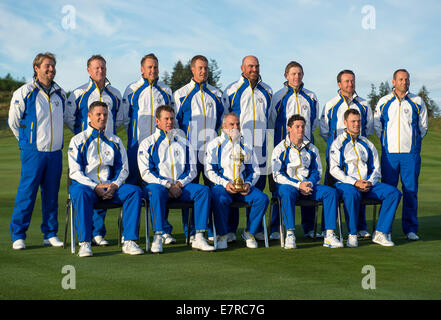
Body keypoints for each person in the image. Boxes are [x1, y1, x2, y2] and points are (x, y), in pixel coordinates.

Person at [68, 101, 144, 257]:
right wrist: (95, 187)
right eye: (98, 114)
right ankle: (85, 243)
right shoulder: (77, 140)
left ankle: (129, 241)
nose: (102, 118)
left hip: (111, 188)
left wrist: (114, 186)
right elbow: (75, 172)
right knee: (80, 194)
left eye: (105, 115)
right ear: (89, 116)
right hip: (86, 188)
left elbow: (123, 168)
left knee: (134, 191)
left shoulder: (115, 140)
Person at [138, 105, 214, 253]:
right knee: (155, 191)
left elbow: (191, 170)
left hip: (181, 187)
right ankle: (158, 237)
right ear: (157, 121)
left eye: (172, 118)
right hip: (159, 187)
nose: (169, 122)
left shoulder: (184, 142)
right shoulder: (147, 143)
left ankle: (198, 236)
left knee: (203, 191)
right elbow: (146, 172)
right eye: (166, 118)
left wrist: (179, 184)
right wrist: (167, 185)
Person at [8, 52, 66, 250]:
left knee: (51, 195)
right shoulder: (24, 92)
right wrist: (27, 142)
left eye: (53, 66)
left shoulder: (60, 93)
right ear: (36, 68)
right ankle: (18, 235)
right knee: (27, 193)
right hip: (33, 152)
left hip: (55, 153)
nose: (51, 69)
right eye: (47, 66)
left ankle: (50, 233)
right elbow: (13, 122)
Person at [64, 54, 123, 246]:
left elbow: (121, 118)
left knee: (106, 182)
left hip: (108, 146)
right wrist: (84, 136)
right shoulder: (79, 93)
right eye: (96, 68)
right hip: (86, 146)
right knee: (88, 186)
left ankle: (98, 233)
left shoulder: (114, 93)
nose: (100, 71)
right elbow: (69, 118)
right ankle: (86, 235)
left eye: (103, 68)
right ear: (88, 70)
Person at [329, 109, 402, 247]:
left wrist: (369, 182)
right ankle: (352, 234)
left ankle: (381, 232)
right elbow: (334, 169)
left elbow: (376, 168)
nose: (357, 124)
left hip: (367, 184)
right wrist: (355, 182)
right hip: (345, 184)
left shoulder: (367, 143)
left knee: (393, 193)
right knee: (352, 194)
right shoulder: (337, 144)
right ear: (345, 122)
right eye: (353, 121)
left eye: (358, 121)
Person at [271, 114, 342, 249]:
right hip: (290, 187)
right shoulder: (279, 149)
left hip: (308, 185)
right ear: (289, 128)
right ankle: (290, 234)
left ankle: (329, 235)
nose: (301, 130)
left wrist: (309, 183)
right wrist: (298, 185)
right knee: (285, 191)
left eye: (303, 126)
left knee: (331, 192)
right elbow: (277, 175)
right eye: (297, 126)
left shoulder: (312, 148)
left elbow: (317, 171)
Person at [173, 55, 224, 240]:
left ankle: (213, 231)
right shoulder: (180, 93)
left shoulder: (217, 94)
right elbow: (177, 123)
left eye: (206, 68)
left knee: (215, 191)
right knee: (191, 191)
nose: (203, 71)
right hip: (189, 152)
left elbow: (219, 121)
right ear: (192, 70)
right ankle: (192, 232)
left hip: (211, 152)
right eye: (200, 68)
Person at [222, 55, 273, 241]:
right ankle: (229, 230)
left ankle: (254, 229)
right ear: (242, 68)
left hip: (260, 148)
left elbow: (271, 119)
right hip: (236, 148)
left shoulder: (267, 91)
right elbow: (225, 118)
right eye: (250, 66)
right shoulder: (232, 90)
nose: (254, 69)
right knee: (233, 186)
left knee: (255, 189)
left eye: (257, 66)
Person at [374, 69, 428, 240]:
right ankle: (385, 229)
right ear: (393, 81)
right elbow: (377, 126)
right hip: (390, 155)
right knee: (388, 191)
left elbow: (423, 127)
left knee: (410, 191)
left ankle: (410, 229)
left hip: (410, 155)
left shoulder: (417, 101)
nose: (404, 82)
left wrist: (412, 144)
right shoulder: (384, 101)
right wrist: (387, 143)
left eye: (406, 79)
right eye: (400, 79)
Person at [319, 69, 373, 239]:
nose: (350, 84)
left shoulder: (364, 104)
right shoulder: (331, 104)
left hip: (358, 154)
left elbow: (369, 128)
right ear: (339, 84)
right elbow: (324, 130)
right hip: (336, 155)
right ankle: (326, 228)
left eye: (352, 81)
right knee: (330, 191)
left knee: (361, 187)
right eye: (346, 81)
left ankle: (359, 227)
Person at [269, 61, 319, 239]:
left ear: (303, 75)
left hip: (305, 150)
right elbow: (272, 124)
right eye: (292, 74)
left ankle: (309, 228)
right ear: (286, 76)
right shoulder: (278, 96)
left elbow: (313, 124)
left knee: (308, 186)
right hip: (284, 151)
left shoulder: (311, 96)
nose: (296, 77)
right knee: (280, 189)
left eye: (299, 73)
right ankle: (276, 227)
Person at [205, 112, 269, 249]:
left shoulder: (246, 144)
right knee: (219, 198)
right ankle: (222, 234)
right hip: (223, 186)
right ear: (223, 126)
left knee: (262, 199)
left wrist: (248, 183)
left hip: (243, 187)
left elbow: (255, 170)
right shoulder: (214, 145)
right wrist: (225, 183)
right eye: (232, 124)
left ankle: (249, 233)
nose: (236, 127)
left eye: (238, 124)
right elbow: (209, 170)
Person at [119, 53, 174, 186]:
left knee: (159, 185)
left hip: (159, 146)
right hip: (136, 145)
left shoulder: (166, 90)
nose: (153, 70)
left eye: (155, 67)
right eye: (149, 67)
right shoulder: (131, 89)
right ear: (142, 69)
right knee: (133, 184)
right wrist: (133, 136)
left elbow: (172, 118)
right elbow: (125, 118)